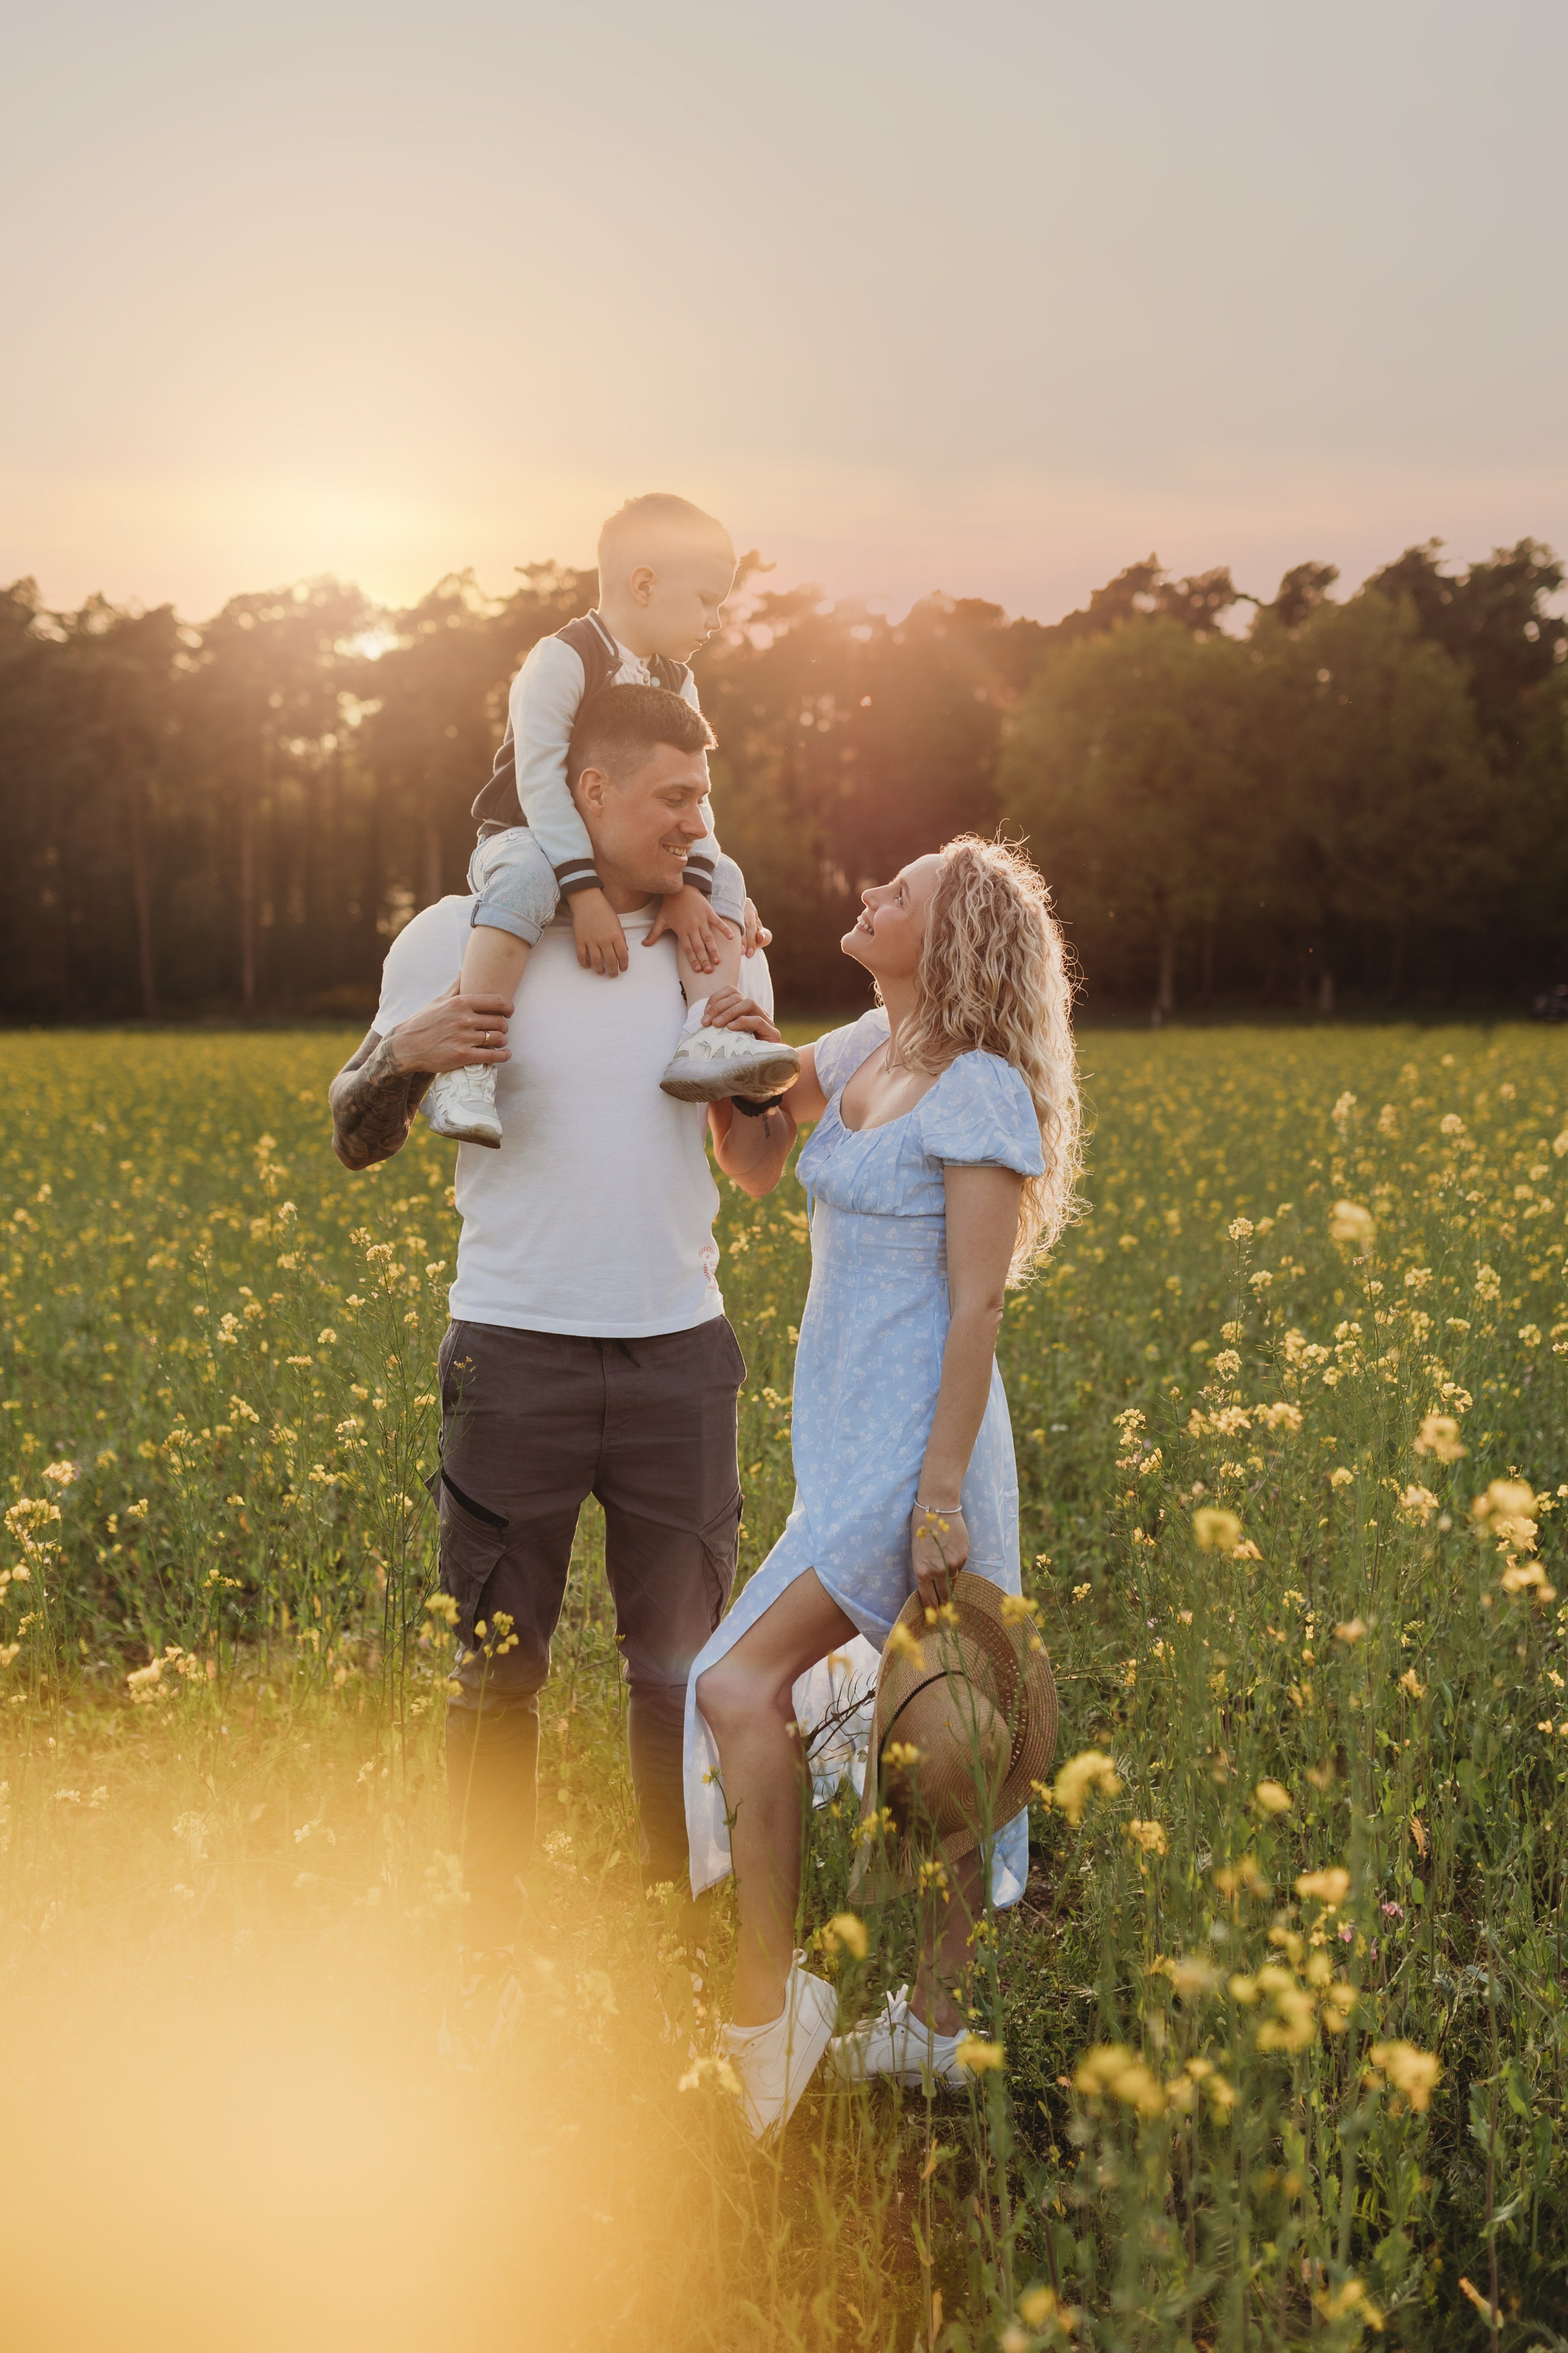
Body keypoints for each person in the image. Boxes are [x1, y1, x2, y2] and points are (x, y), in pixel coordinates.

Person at [328, 683, 795, 1971]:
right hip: (512, 1349)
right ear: (588, 792)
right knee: (493, 1670)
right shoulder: (455, 933)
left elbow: (756, 1168)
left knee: (678, 1670)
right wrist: (406, 1051)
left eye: (703, 798)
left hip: (678, 1354)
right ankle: (484, 1938)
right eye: (673, 798)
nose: (697, 823)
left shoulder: (718, 940)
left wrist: (761, 1073)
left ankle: (673, 1924)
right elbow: (355, 1137)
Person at [684, 836, 1081, 2142]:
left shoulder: (977, 1089)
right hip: (843, 1438)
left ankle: (765, 2008)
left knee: (745, 1683)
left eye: (898, 891)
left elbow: (977, 1303)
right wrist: (731, 1061)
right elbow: (756, 1158)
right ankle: (934, 2027)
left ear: (950, 932)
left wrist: (937, 1495)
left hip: (922, 1446)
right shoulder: (861, 1047)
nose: (867, 895)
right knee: (927, 1710)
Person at [422, 492, 798, 1147]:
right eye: (706, 600)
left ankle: (707, 1033)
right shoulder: (563, 658)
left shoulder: (677, 679)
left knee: (726, 876)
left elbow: (693, 795)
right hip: (525, 836)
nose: (715, 621)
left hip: (626, 850)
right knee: (526, 875)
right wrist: (586, 893)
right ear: (644, 585)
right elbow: (541, 782)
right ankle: (468, 1067)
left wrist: (688, 884)